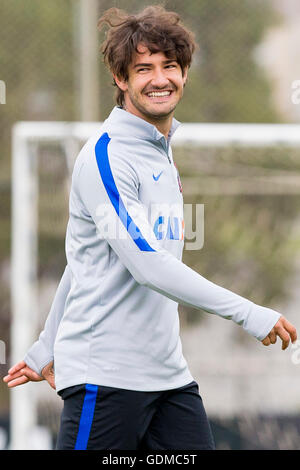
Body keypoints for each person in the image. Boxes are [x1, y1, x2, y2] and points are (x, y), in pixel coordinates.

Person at [3, 5, 297, 450]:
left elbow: (86, 259)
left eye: (170, 66)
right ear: (121, 80)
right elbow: (148, 266)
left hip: (169, 380)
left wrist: (45, 343)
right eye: (143, 69)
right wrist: (250, 313)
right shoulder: (108, 157)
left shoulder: (158, 152)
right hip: (105, 380)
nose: (159, 79)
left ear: (184, 75)